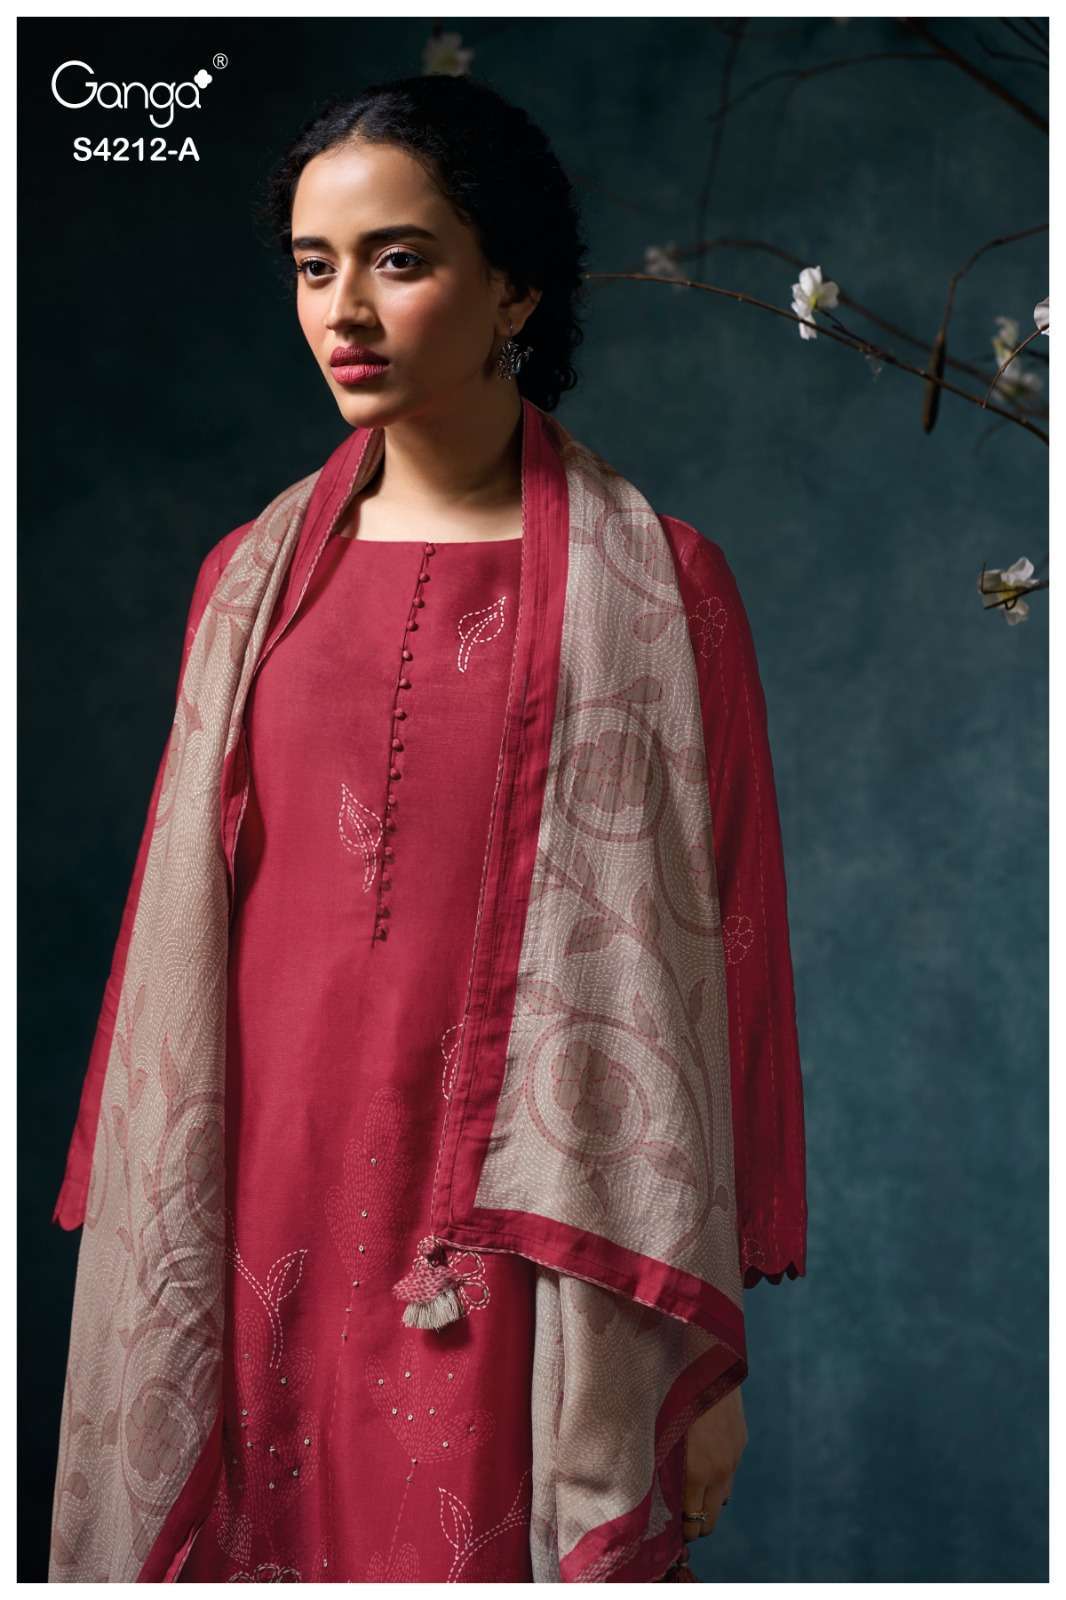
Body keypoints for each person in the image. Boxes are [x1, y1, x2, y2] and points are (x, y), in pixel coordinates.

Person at [49, 74, 807, 1584]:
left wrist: (707, 1355)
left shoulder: (665, 588)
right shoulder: (245, 583)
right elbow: (167, 934)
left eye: (398, 260)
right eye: (313, 266)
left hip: (518, 1218)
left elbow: (732, 955)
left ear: (513, 284)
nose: (344, 311)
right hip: (257, 1201)